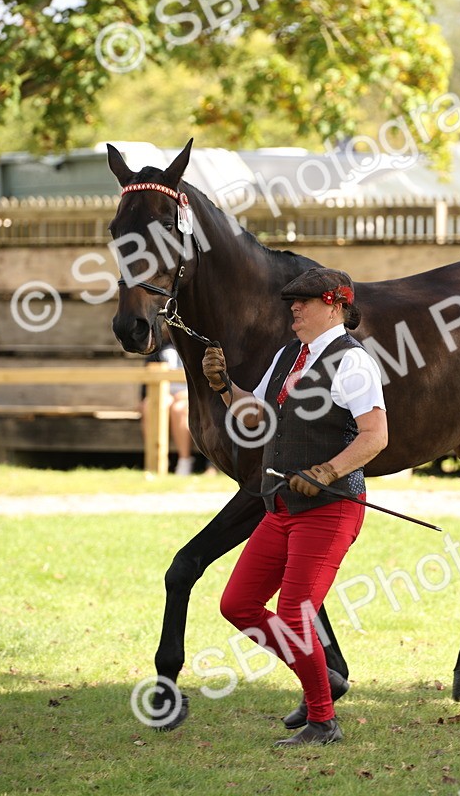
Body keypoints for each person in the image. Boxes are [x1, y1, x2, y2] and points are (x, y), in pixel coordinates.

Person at [202, 268, 387, 747]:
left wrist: (327, 471)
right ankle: (323, 677)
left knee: (294, 614)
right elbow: (257, 415)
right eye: (292, 302)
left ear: (335, 306)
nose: (294, 309)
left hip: (331, 510)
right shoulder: (288, 355)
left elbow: (375, 437)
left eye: (305, 301)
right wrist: (224, 387)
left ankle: (323, 721)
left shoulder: (354, 362)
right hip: (281, 506)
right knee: (237, 604)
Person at [141, 329, 206, 476]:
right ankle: (157, 460)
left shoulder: (196, 347)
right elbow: (149, 375)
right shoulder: (159, 348)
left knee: (178, 409)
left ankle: (184, 460)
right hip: (165, 393)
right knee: (150, 405)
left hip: (189, 395)